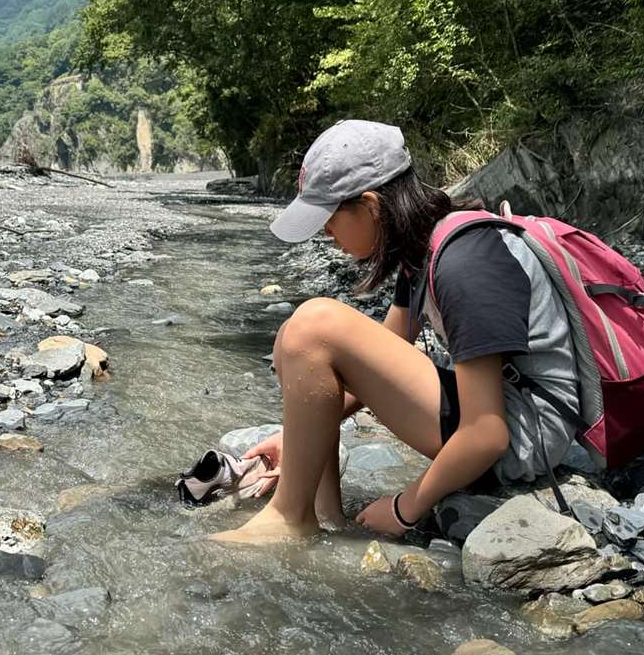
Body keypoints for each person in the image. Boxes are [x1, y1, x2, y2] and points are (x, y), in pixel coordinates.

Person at [210, 119, 581, 545]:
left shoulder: (465, 263)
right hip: (503, 417)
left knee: (313, 326)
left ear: (369, 206)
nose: (327, 235)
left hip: (527, 435)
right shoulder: (422, 251)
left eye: (329, 219)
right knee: (293, 338)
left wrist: (405, 508)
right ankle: (322, 514)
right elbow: (361, 371)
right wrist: (295, 438)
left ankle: (289, 519)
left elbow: (487, 432)